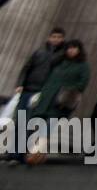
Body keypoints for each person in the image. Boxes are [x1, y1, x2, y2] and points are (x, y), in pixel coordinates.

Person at [5, 27, 66, 162]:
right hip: (27, 91)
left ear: (62, 39)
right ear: (49, 38)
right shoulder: (39, 52)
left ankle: (21, 153)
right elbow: (26, 68)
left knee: (31, 124)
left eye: (59, 37)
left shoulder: (62, 57)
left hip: (43, 94)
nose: (55, 39)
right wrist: (20, 84)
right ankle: (14, 153)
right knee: (20, 121)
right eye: (53, 36)